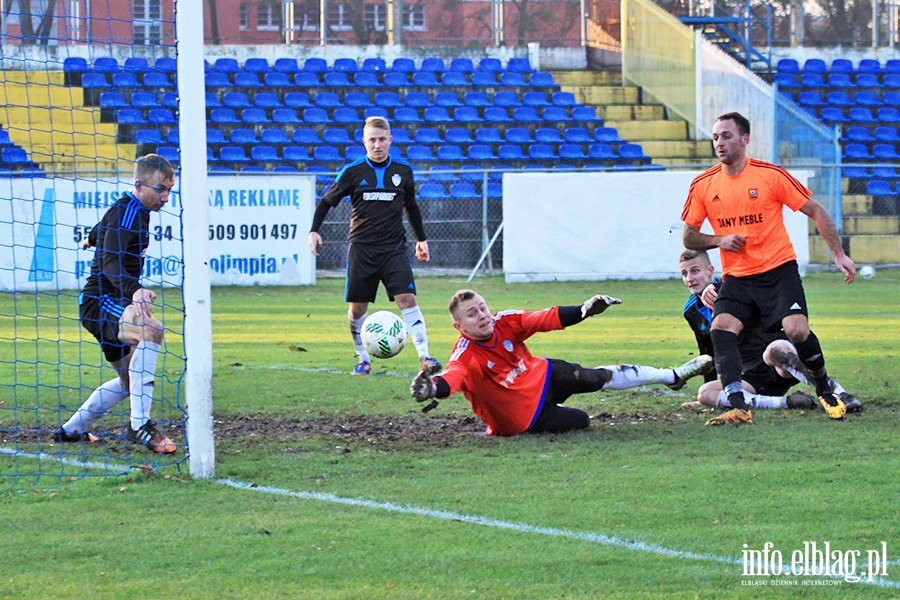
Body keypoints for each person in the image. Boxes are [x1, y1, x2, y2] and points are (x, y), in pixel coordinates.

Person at [681, 111, 856, 426]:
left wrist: (838, 254)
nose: (719, 142)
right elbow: (689, 236)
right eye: (716, 137)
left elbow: (815, 209)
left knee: (797, 331)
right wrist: (720, 239)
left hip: (778, 270)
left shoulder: (770, 175)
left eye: (727, 135)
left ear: (745, 139)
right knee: (721, 327)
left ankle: (825, 388)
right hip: (738, 276)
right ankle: (738, 406)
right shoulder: (704, 184)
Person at [409, 290, 713, 437]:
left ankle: (672, 375)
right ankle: (671, 376)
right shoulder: (465, 354)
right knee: (580, 421)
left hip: (542, 376)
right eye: (472, 314)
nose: (483, 315)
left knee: (596, 377)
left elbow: (542, 318)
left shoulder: (504, 321)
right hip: (519, 419)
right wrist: (431, 388)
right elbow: (453, 377)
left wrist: (584, 310)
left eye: (482, 308)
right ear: (459, 327)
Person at [55, 154, 176, 453]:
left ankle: (71, 431)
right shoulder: (128, 213)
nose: (166, 197)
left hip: (109, 303)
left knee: (128, 382)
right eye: (160, 189)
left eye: (170, 189)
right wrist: (134, 289)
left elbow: (104, 228)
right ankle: (140, 426)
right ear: (139, 184)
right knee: (151, 329)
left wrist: (91, 238)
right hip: (101, 301)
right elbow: (111, 262)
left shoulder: (133, 208)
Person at [308, 116, 441, 376]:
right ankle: (362, 359)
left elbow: (411, 206)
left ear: (390, 140)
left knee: (407, 298)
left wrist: (420, 239)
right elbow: (326, 202)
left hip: (394, 249)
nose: (377, 145)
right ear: (364, 142)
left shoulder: (403, 171)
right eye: (372, 140)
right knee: (358, 309)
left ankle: (425, 357)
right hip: (362, 249)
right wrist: (314, 230)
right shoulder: (352, 171)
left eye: (382, 139)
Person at [678, 249, 861, 412]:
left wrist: (720, 288)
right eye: (684, 273)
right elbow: (708, 353)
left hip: (780, 364)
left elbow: (759, 293)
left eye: (695, 271)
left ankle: (838, 392)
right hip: (751, 378)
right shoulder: (691, 310)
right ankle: (788, 402)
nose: (690, 278)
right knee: (706, 394)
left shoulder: (733, 288)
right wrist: (708, 392)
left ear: (710, 271)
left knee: (776, 349)